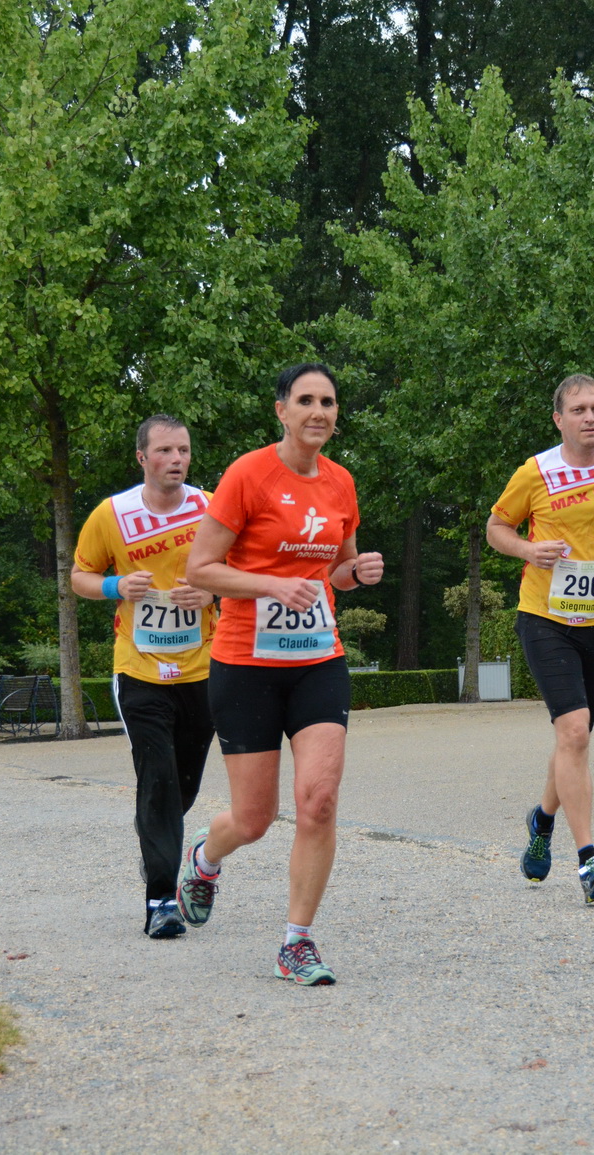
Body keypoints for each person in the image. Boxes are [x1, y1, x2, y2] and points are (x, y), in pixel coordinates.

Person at [182, 363, 382, 986]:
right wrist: (273, 584)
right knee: (254, 819)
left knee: (318, 802)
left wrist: (358, 572)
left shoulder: (341, 482)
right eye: (306, 401)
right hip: (245, 664)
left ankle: (296, 942)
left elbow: (338, 572)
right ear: (282, 411)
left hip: (319, 659)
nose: (319, 411)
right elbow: (200, 570)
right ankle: (206, 858)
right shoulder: (248, 475)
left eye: (328, 401)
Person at [486, 374, 594, 903]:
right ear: (558, 419)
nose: (591, 417)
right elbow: (497, 527)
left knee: (574, 736)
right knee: (576, 733)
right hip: (544, 617)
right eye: (580, 409)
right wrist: (525, 550)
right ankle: (590, 862)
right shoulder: (535, 472)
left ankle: (541, 822)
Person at [71, 414, 219, 939]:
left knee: (183, 785)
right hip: (139, 669)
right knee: (155, 778)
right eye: (164, 451)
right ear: (142, 457)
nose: (176, 459)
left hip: (203, 666)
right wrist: (114, 586)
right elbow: (79, 577)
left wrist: (212, 593)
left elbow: (243, 568)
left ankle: (160, 842)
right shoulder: (111, 514)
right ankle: (160, 899)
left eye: (183, 450)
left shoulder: (211, 507)